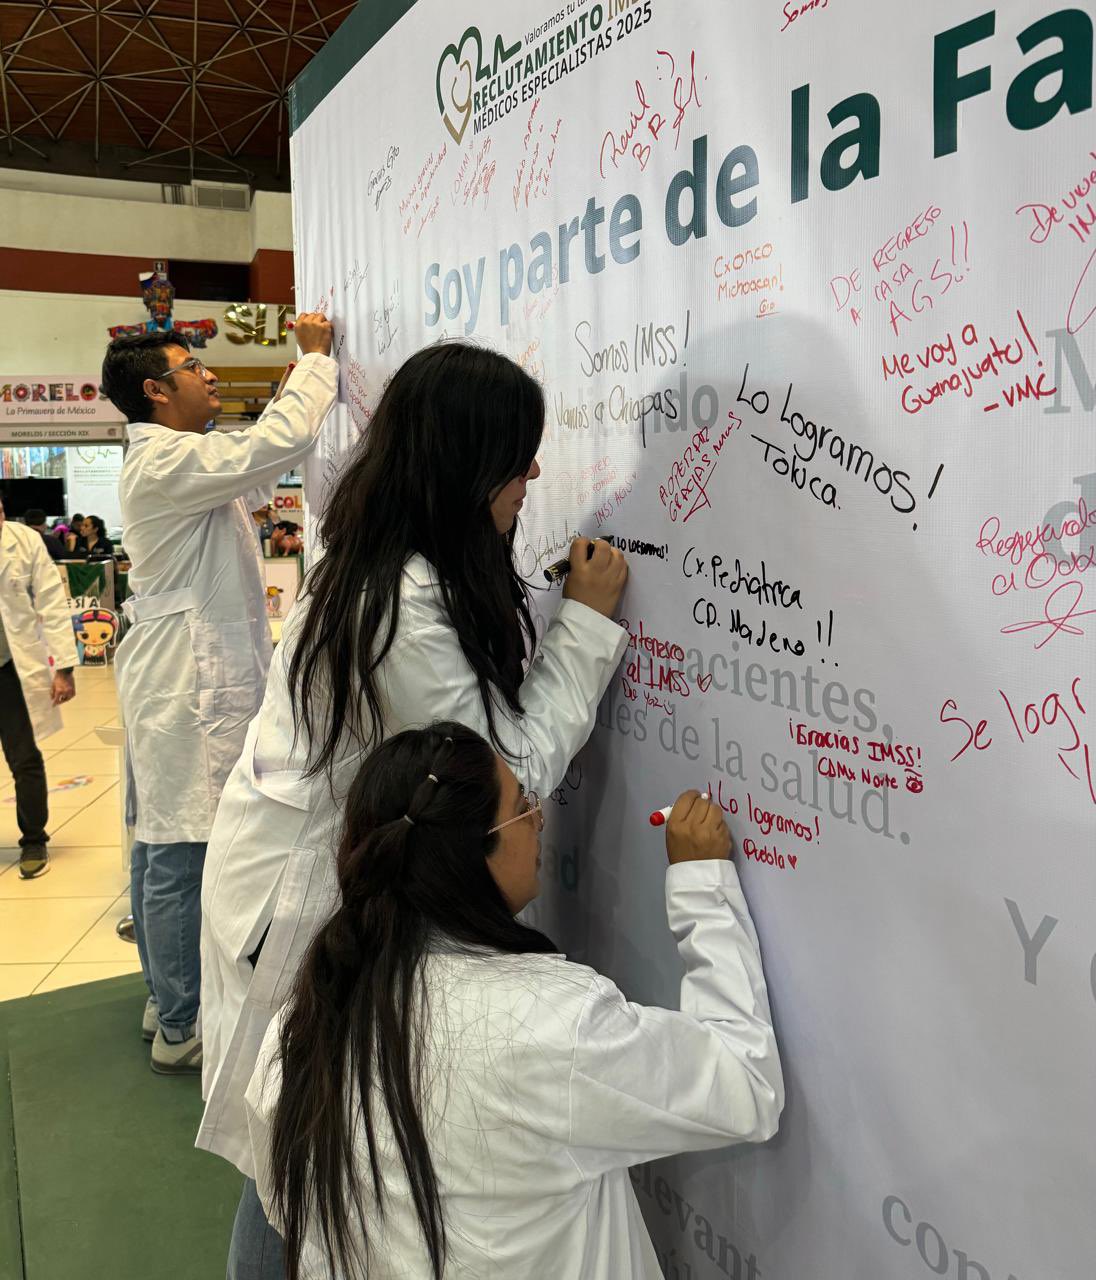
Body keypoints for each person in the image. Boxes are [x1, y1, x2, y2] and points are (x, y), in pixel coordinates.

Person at [198, 341, 629, 1274]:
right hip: (295, 896)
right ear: (466, 465)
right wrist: (590, 625)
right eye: (518, 457)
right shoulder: (398, 600)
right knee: (297, 1159)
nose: (534, 476)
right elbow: (506, 770)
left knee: (303, 1144)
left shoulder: (388, 561)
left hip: (298, 868)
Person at [245, 722, 784, 1280]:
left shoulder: (305, 1021)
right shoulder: (547, 1022)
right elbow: (745, 1081)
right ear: (471, 855)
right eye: (522, 807)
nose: (539, 818)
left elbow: (288, 1207)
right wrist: (702, 885)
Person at [101, 314, 336, 1076]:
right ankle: (180, 1023)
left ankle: (164, 998)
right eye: (192, 366)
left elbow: (258, 473)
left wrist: (295, 393)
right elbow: (269, 448)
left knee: (162, 838)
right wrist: (315, 365)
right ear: (155, 391)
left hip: (174, 675)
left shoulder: (177, 459)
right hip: (184, 682)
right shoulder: (166, 460)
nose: (209, 375)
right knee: (179, 848)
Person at [0, 496, 78, 879]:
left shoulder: (24, 541)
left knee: (24, 757)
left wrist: (64, 668)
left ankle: (33, 839)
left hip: (11, 667)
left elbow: (52, 602)